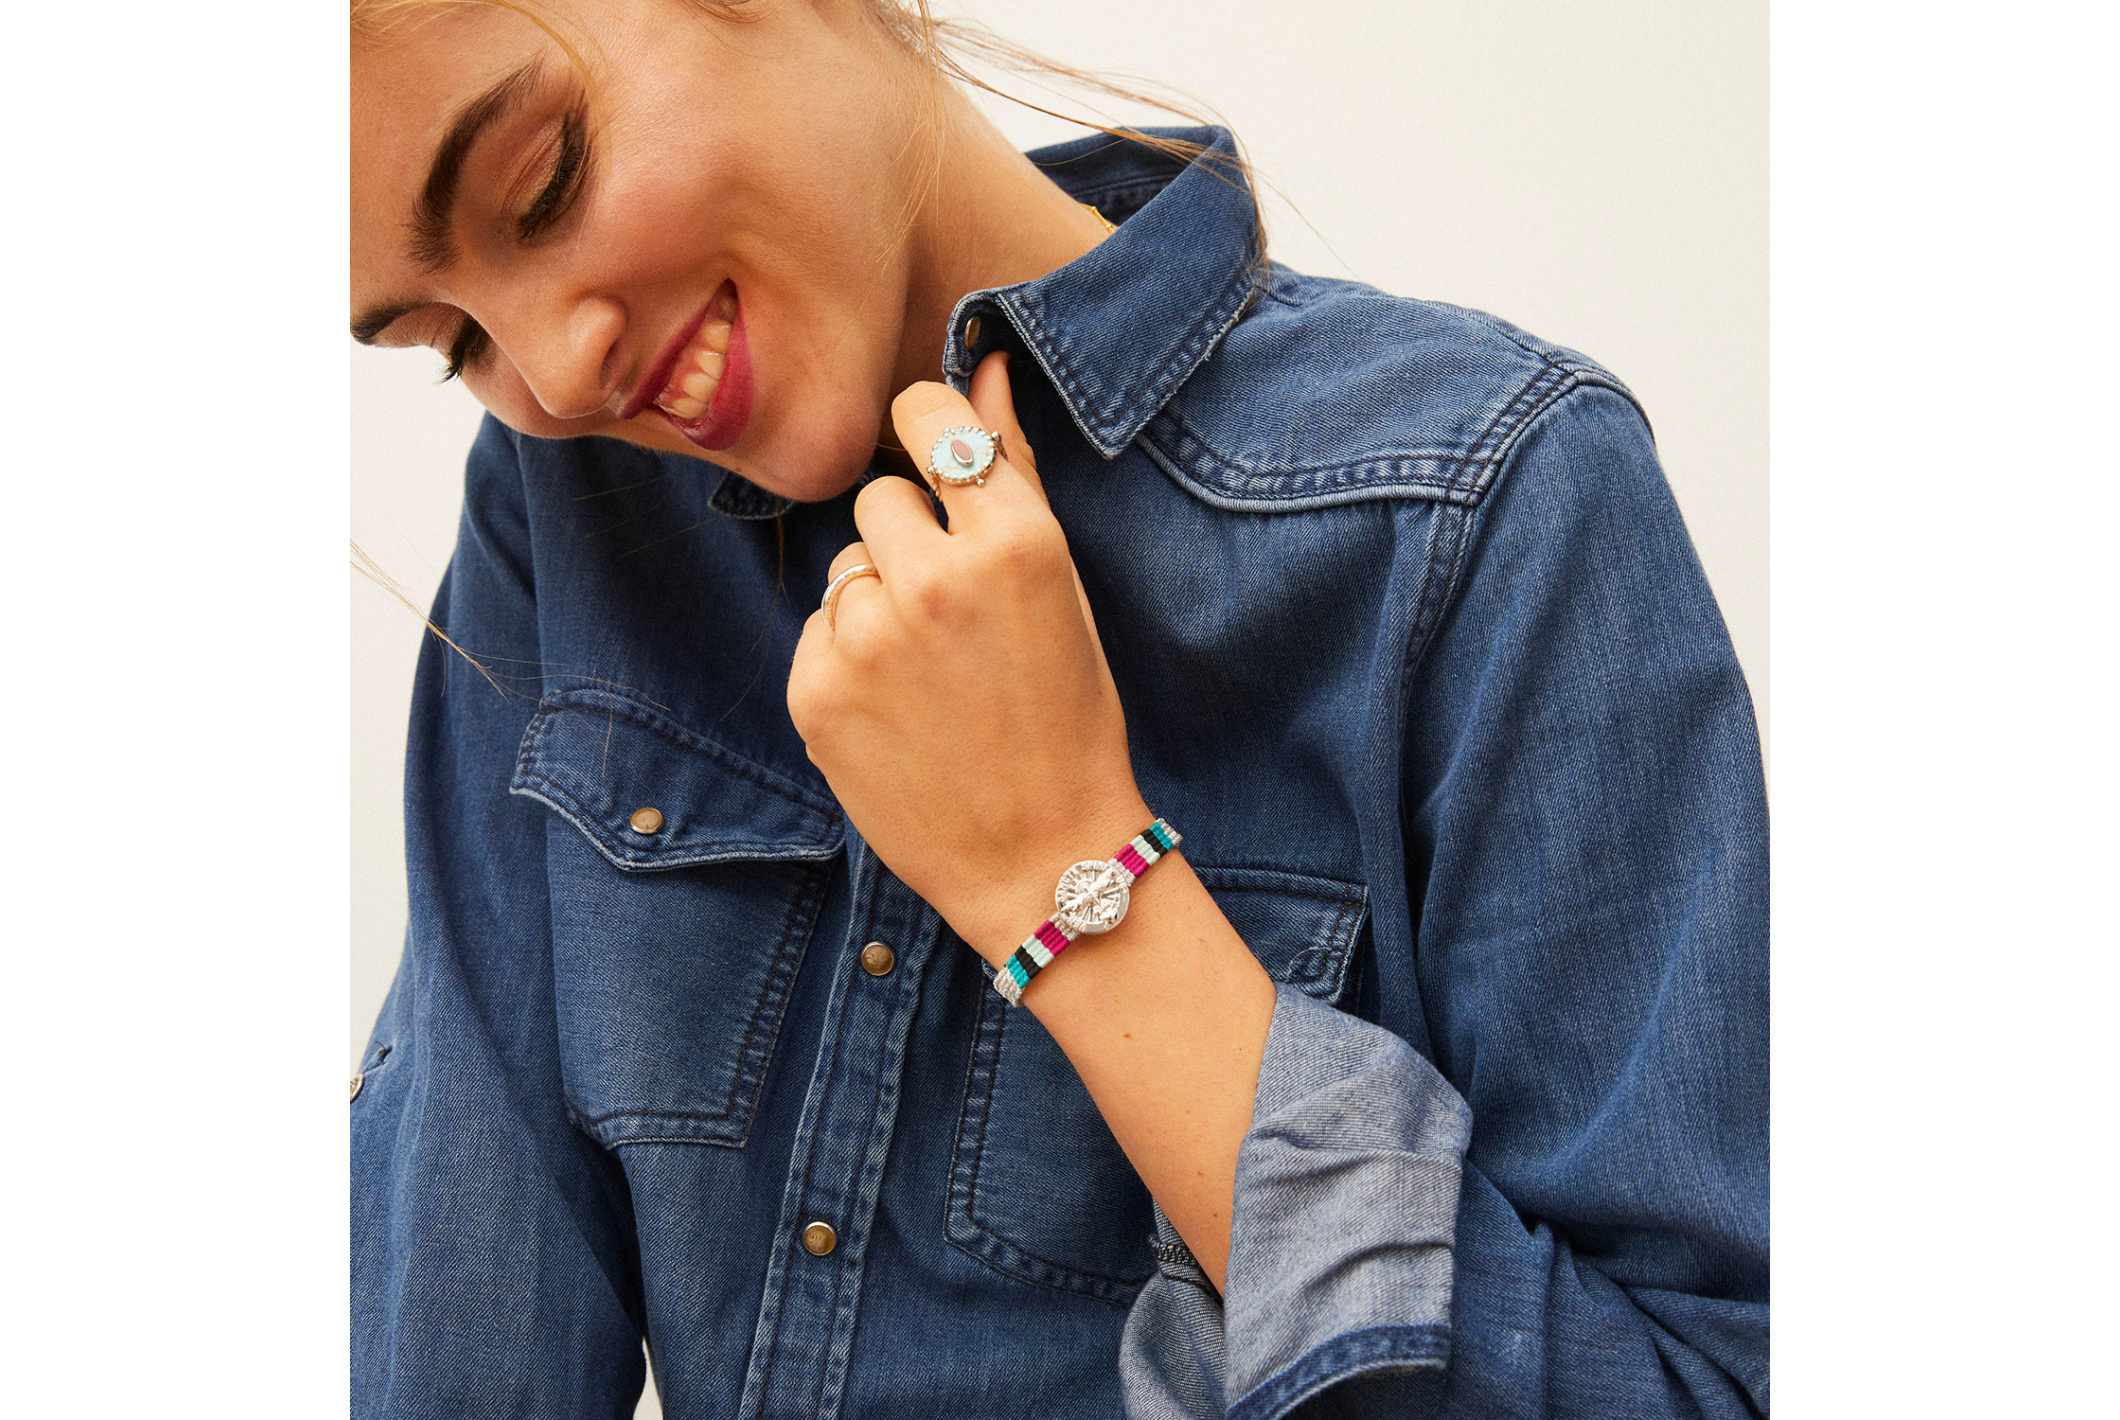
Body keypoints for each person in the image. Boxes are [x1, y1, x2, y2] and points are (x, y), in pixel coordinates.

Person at [349, 1, 1769, 1415]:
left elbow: (1698, 1383)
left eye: (543, 184)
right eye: (448, 338)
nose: (554, 374)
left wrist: (1067, 873)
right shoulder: (570, 518)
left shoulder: (1485, 506)